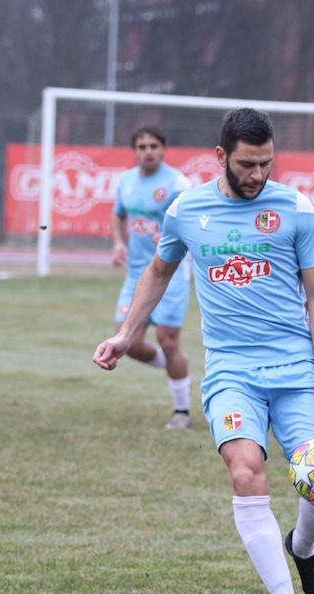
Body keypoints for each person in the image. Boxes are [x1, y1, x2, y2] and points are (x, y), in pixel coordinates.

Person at [95, 108, 314, 594]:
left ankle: (302, 546)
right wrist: (124, 334)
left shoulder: (296, 208)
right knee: (244, 471)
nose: (258, 174)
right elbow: (159, 272)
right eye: (247, 164)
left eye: (266, 163)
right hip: (232, 370)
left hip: (296, 367)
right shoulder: (187, 209)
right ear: (220, 157)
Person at [109, 126, 194, 429]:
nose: (148, 151)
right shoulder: (126, 181)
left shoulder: (177, 183)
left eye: (153, 146)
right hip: (136, 275)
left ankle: (181, 410)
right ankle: (173, 366)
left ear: (163, 149)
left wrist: (177, 242)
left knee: (168, 340)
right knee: (126, 341)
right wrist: (119, 243)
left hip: (170, 274)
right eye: (142, 146)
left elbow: (192, 221)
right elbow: (118, 214)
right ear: (134, 150)